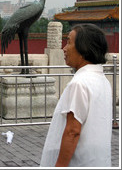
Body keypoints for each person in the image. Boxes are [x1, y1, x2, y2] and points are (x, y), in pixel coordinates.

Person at [40, 24, 112, 167]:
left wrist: (59, 166)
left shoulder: (79, 83)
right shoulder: (102, 80)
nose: (64, 49)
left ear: (84, 48)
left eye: (68, 42)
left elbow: (72, 131)